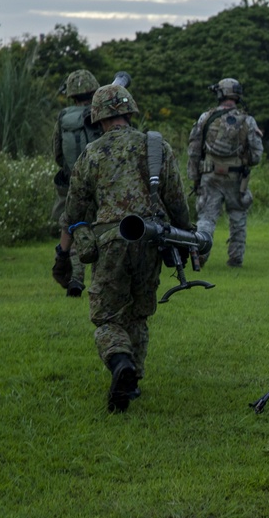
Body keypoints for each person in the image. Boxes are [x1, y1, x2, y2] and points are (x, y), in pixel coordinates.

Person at [59, 83, 197, 412]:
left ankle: (121, 362)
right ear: (130, 112)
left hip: (109, 242)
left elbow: (74, 211)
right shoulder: (155, 146)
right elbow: (176, 199)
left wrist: (64, 251)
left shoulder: (91, 154)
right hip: (150, 239)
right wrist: (187, 238)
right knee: (138, 313)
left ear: (99, 118)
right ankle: (132, 379)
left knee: (107, 318)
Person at [187, 78, 263, 267]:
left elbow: (194, 151)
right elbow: (256, 156)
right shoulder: (248, 120)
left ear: (220, 94)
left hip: (209, 176)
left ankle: (200, 255)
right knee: (238, 217)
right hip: (236, 179)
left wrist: (194, 178)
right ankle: (235, 259)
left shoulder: (206, 118)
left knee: (206, 218)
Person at [51, 69, 101, 297]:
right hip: (100, 180)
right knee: (101, 227)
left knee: (74, 225)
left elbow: (58, 154)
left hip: (72, 181)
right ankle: (100, 278)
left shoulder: (63, 117)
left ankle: (75, 278)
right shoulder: (101, 113)